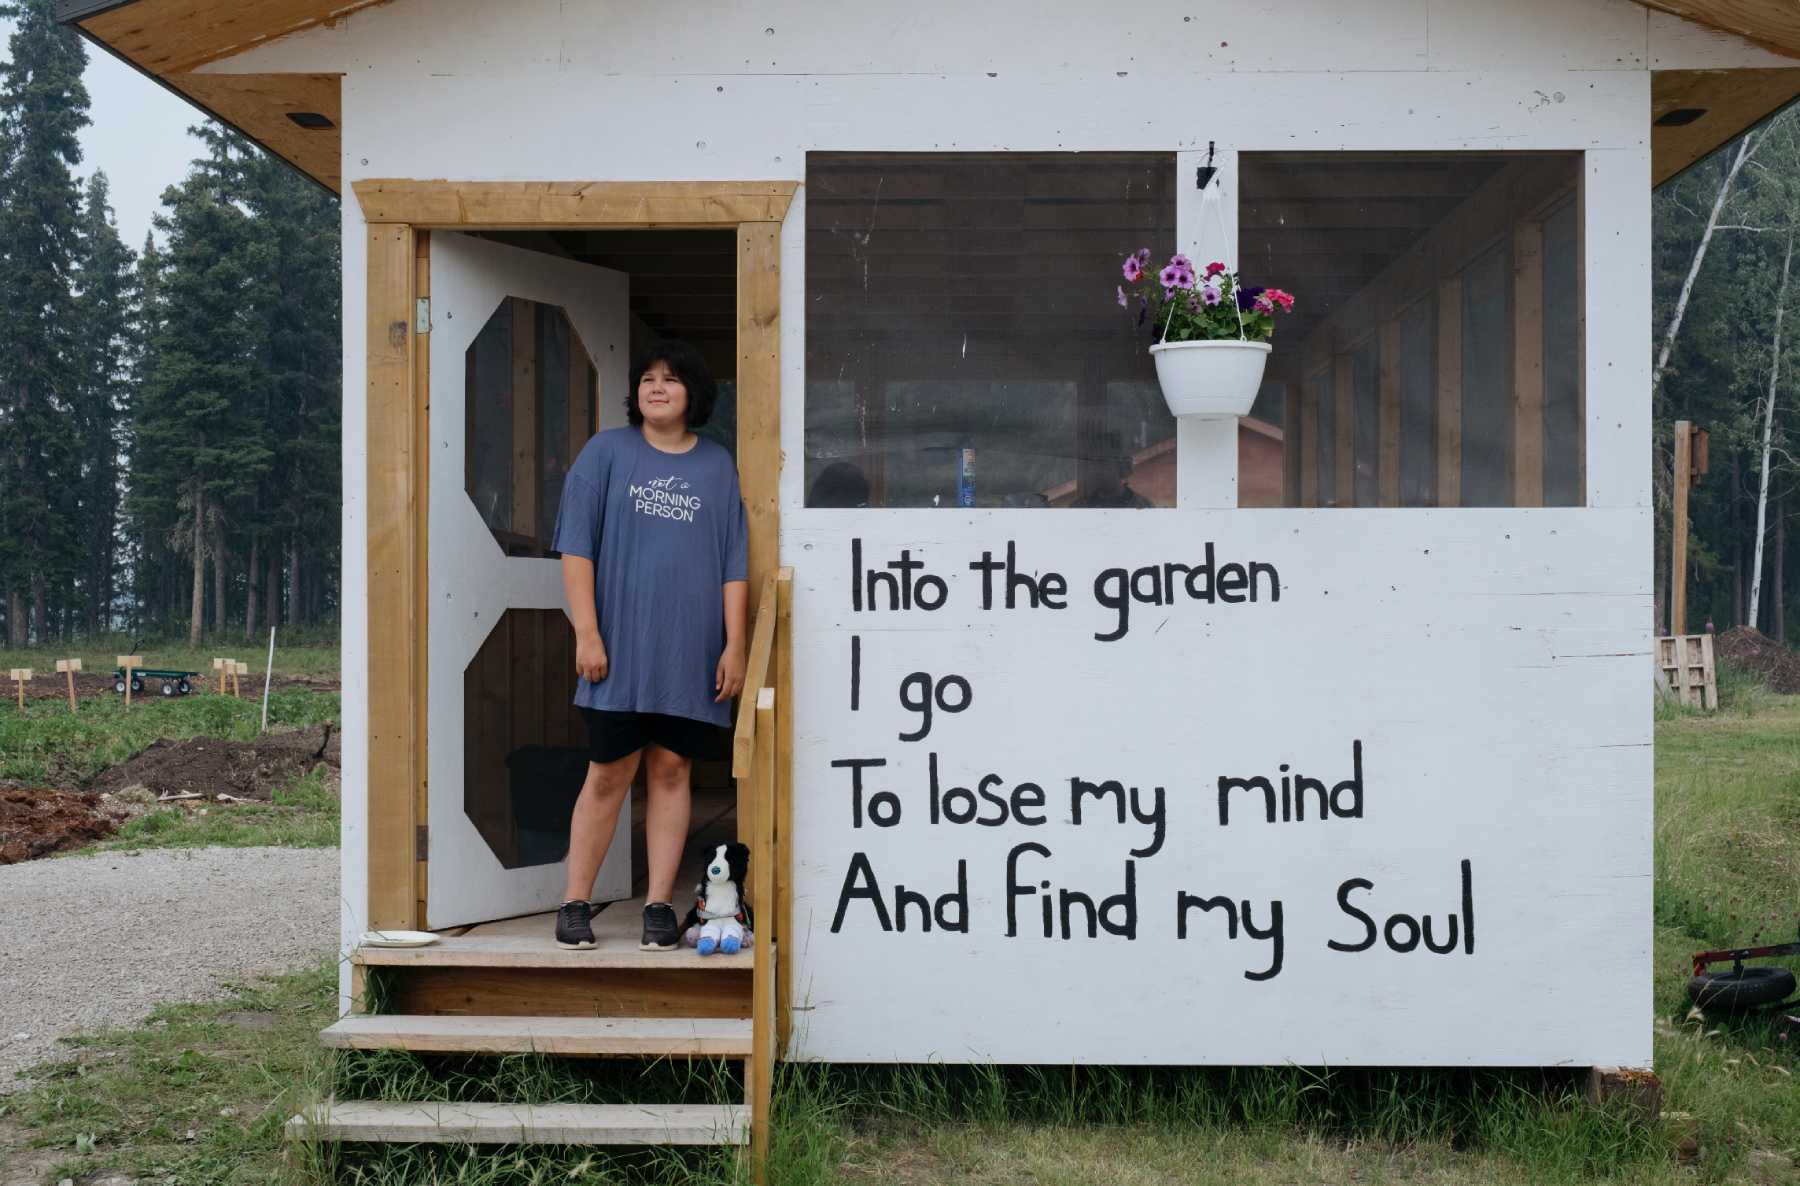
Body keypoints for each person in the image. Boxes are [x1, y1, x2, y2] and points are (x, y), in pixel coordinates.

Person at [549, 339, 749, 951]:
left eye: (671, 378)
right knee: (608, 774)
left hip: (691, 653)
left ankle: (659, 905)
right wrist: (586, 632)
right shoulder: (606, 452)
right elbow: (576, 548)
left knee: (673, 769)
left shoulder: (717, 465)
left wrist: (735, 644)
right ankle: (574, 903)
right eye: (647, 379)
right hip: (618, 652)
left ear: (694, 394)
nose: (656, 387)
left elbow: (734, 563)